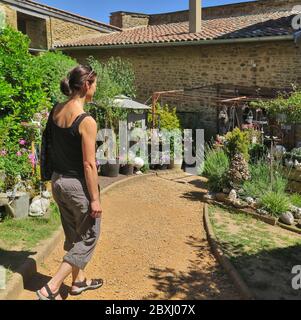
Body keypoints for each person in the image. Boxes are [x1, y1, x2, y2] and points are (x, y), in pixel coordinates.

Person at [37, 65, 103, 300]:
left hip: (57, 183)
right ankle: (52, 286)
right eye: (95, 83)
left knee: (75, 235)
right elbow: (89, 165)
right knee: (89, 235)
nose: (96, 87)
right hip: (76, 186)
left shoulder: (57, 109)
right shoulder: (86, 121)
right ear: (86, 85)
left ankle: (78, 282)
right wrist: (94, 199)